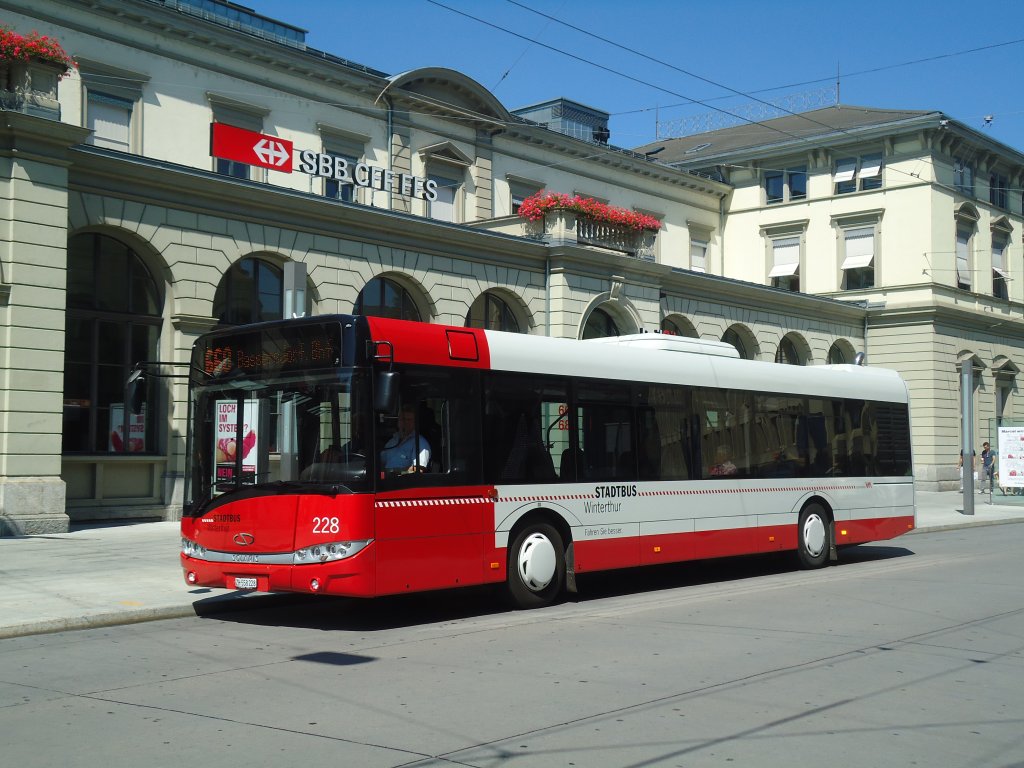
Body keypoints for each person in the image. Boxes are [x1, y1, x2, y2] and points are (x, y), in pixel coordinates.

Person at [380, 404, 431, 474]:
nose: (406, 422)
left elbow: (419, 469)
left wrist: (398, 473)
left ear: (415, 422)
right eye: (403, 419)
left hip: (404, 482)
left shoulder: (420, 442)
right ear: (398, 421)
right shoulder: (392, 441)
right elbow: (381, 461)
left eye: (409, 420)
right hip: (385, 481)